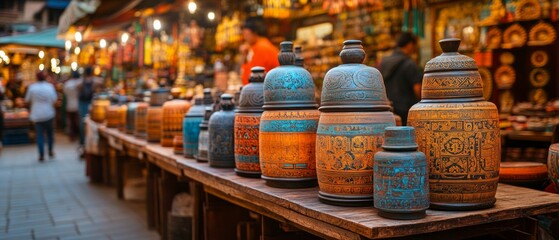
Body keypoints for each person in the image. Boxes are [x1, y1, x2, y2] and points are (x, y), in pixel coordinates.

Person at [378, 32, 423, 126]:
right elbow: (417, 88)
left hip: (388, 109)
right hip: (406, 111)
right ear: (410, 45)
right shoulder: (409, 63)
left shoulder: (383, 62)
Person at [25, 71, 58, 161]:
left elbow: (27, 100)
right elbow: (54, 100)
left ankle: (41, 154)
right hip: (48, 114)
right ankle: (50, 150)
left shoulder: (32, 88)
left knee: (39, 135)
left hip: (37, 115)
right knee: (50, 134)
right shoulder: (49, 87)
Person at [239, 17, 279, 85]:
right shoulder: (261, 46)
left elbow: (250, 80)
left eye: (245, 34)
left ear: (254, 32)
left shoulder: (261, 49)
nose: (244, 38)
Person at [77, 66, 100, 147]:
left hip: (83, 103)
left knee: (83, 122)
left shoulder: (80, 81)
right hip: (91, 103)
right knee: (93, 122)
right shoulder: (96, 81)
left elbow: (78, 89)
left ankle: (83, 140)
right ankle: (91, 140)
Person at [63, 71, 81, 141]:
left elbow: (65, 93)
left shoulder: (67, 84)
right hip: (78, 105)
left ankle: (72, 136)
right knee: (77, 122)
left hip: (69, 106)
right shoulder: (79, 83)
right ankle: (78, 136)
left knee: (71, 122)